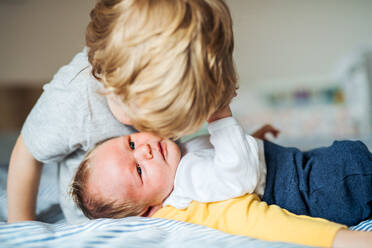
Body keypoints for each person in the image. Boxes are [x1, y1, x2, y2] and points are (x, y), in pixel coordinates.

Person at [7, 0, 237, 224]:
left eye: (168, 125)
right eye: (147, 120)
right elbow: (27, 153)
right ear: (107, 80)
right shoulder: (75, 99)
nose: (152, 137)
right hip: (92, 225)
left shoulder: (185, 81)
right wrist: (23, 229)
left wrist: (237, 140)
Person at [70, 105, 372, 247]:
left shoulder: (179, 161)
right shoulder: (188, 181)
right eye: (138, 170)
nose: (145, 151)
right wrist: (220, 117)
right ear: (148, 210)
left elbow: (220, 157)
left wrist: (254, 139)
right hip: (318, 186)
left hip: (311, 171)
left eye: (131, 144)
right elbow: (237, 174)